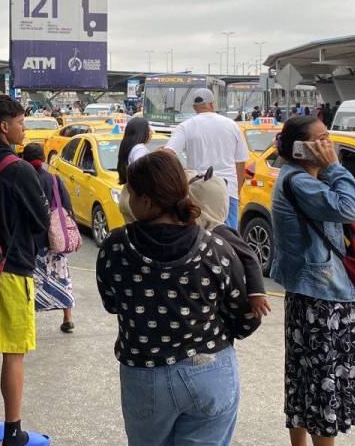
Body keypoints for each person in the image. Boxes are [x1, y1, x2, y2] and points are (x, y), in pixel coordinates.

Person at [97, 151, 265, 446]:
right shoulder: (215, 248)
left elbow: (111, 302)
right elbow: (245, 319)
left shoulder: (115, 246)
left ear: (146, 200)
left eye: (131, 193)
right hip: (209, 370)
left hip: (144, 375)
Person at [269, 116, 355, 444]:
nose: (329, 144)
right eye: (322, 139)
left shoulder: (298, 177)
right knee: (323, 387)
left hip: (309, 293)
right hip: (322, 298)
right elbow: (352, 209)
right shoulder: (300, 182)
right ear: (301, 148)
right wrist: (335, 167)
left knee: (303, 381)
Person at [0, 95, 51, 446]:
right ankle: (14, 432)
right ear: (4, 125)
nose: (23, 127)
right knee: (13, 351)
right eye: (20, 121)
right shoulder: (19, 169)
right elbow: (42, 222)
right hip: (12, 267)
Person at [163, 88, 249, 229]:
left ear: (194, 107)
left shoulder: (185, 126)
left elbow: (168, 154)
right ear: (212, 104)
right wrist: (237, 189)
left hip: (198, 190)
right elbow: (240, 163)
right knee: (229, 237)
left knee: (199, 236)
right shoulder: (232, 125)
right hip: (227, 188)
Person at [20, 144, 75, 333]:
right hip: (54, 239)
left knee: (32, 280)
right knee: (61, 275)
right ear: (43, 158)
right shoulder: (54, 179)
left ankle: (29, 321)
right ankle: (67, 318)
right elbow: (66, 206)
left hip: (31, 240)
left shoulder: (24, 180)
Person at [116, 116, 153, 185]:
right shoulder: (140, 149)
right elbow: (140, 172)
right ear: (142, 132)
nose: (151, 132)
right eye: (149, 129)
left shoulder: (131, 147)